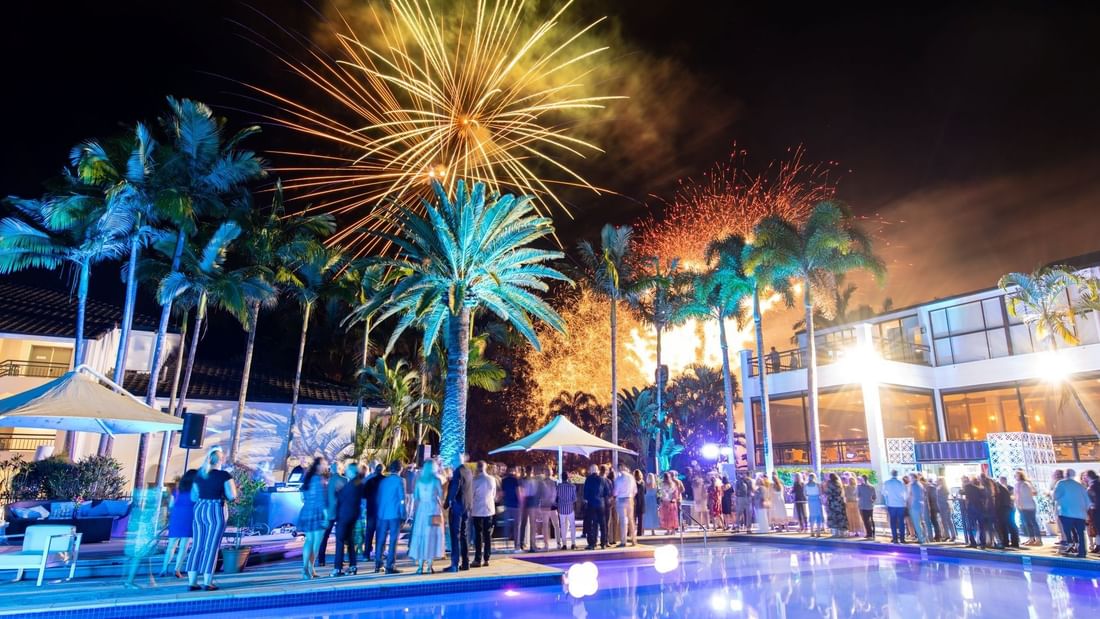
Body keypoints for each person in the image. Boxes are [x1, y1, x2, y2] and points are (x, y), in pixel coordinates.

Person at [186, 447, 237, 591]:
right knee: (211, 547)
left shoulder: (199, 475)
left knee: (197, 545)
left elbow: (193, 496)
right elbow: (232, 495)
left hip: (200, 508)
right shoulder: (224, 476)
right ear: (221, 460)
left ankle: (192, 581)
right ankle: (208, 581)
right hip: (215, 509)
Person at [409, 459, 446, 573]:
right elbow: (441, 495)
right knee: (431, 537)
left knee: (420, 536)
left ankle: (420, 566)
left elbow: (416, 496)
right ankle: (429, 566)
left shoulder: (419, 480)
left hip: (422, 510)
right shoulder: (436, 480)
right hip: (433, 509)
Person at [160, 469, 197, 579]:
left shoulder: (176, 490)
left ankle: (164, 568)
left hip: (176, 517)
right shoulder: (194, 491)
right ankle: (177, 569)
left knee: (171, 545)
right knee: (184, 546)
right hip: (188, 517)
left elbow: (171, 505)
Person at [296, 458, 328, 579]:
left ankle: (308, 569)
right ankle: (307, 568)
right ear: (319, 465)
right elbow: (320, 499)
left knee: (309, 540)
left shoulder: (308, 477)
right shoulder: (318, 478)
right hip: (317, 513)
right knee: (316, 543)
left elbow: (303, 496)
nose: (326, 466)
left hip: (307, 511)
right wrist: (326, 514)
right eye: (324, 464)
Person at [332, 461, 365, 576]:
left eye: (347, 470)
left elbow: (343, 496)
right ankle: (352, 565)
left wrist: (337, 492)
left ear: (352, 471)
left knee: (340, 541)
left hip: (344, 515)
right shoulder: (357, 482)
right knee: (350, 541)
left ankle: (338, 568)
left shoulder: (354, 483)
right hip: (352, 515)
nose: (345, 471)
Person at [374, 460, 406, 574]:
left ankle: (378, 564)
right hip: (394, 514)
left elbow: (379, 498)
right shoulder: (400, 481)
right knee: (393, 540)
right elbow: (402, 499)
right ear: (400, 469)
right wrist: (403, 514)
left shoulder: (384, 481)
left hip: (382, 514)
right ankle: (390, 565)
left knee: (381, 539)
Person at [1052, 467, 1090, 558]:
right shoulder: (1080, 486)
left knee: (1068, 532)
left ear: (1065, 475)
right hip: (1080, 514)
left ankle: (1070, 546)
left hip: (1066, 513)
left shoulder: (1061, 483)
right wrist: (1085, 511)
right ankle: (1082, 552)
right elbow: (1088, 501)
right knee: (1081, 533)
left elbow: (1055, 496)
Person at [444, 456, 473, 572]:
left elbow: (455, 489)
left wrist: (447, 503)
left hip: (457, 507)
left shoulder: (457, 472)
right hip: (467, 507)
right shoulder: (468, 471)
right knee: (464, 535)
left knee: (455, 535)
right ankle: (466, 563)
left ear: (456, 463)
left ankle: (454, 564)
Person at [318, 459, 346, 568]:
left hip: (329, 511)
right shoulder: (344, 480)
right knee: (340, 537)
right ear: (340, 469)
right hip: (340, 511)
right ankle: (340, 560)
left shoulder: (326, 481)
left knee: (324, 537)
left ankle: (321, 560)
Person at [470, 461, 497, 567]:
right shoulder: (492, 479)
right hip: (489, 509)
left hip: (477, 510)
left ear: (477, 468)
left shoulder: (475, 480)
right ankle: (487, 558)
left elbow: (472, 495)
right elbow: (493, 495)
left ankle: (477, 558)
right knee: (487, 535)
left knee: (478, 535)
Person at [584, 464, 612, 548]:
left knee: (592, 524)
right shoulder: (603, 479)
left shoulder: (588, 479)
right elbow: (607, 492)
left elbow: (585, 492)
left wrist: (587, 499)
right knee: (603, 524)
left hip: (591, 504)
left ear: (591, 470)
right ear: (597, 471)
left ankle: (592, 543)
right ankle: (603, 543)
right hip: (601, 504)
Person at [361, 463, 384, 562]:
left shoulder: (370, 481)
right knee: (380, 533)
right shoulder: (385, 480)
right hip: (381, 511)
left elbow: (364, 495)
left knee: (369, 533)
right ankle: (379, 554)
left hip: (371, 509)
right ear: (383, 470)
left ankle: (366, 554)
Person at [961, 475, 989, 549]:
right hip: (980, 508)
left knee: (970, 527)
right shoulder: (982, 488)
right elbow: (985, 498)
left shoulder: (968, 487)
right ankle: (983, 543)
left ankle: (973, 542)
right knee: (981, 526)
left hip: (972, 508)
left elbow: (961, 492)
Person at [613, 463, 637, 547]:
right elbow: (635, 491)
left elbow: (615, 492)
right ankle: (634, 539)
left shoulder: (618, 479)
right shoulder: (631, 478)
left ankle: (624, 541)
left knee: (623, 521)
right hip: (630, 499)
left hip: (621, 499)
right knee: (631, 520)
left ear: (620, 468)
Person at [994, 475, 1021, 549]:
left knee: (1005, 525)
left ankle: (1007, 542)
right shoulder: (1003, 488)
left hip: (1005, 508)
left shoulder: (1002, 489)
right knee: (1009, 525)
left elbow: (1001, 500)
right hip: (1008, 508)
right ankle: (1013, 542)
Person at [882, 470, 907, 544]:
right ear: (897, 474)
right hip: (900, 504)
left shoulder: (887, 483)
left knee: (893, 522)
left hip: (891, 504)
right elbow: (905, 494)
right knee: (901, 522)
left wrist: (887, 501)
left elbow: (883, 493)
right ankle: (902, 538)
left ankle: (895, 538)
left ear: (891, 474)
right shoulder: (901, 483)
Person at [501, 466, 523, 550]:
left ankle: (506, 544)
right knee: (517, 525)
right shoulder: (516, 480)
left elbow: (502, 493)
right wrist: (521, 503)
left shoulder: (504, 480)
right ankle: (516, 545)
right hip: (516, 505)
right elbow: (518, 492)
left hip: (507, 505)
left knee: (507, 525)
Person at [558, 471, 579, 550]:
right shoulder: (572, 487)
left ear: (561, 477)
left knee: (563, 526)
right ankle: (573, 543)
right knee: (572, 526)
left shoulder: (559, 487)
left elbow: (557, 498)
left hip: (561, 509)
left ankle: (564, 544)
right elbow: (575, 499)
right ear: (567, 477)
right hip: (570, 508)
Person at [824, 473, 847, 537]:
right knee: (841, 516)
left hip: (833, 502)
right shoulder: (839, 483)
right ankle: (842, 532)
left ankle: (835, 533)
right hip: (839, 501)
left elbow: (827, 492)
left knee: (834, 516)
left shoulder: (830, 484)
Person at [906, 473, 927, 544]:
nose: (908, 479)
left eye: (909, 477)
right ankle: (925, 537)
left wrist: (909, 505)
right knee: (922, 522)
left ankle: (921, 538)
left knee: (917, 523)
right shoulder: (920, 484)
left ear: (912, 477)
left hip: (914, 505)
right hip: (921, 505)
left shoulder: (911, 485)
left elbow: (910, 496)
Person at [936, 477, 956, 542]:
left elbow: (943, 498)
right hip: (944, 506)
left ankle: (949, 535)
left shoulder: (942, 488)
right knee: (948, 521)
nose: (937, 481)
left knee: (946, 521)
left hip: (944, 506)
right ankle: (951, 535)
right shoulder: (942, 488)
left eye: (938, 480)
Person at [856, 474, 876, 539]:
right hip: (870, 505)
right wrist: (871, 501)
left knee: (866, 520)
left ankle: (869, 534)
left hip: (863, 506)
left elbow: (857, 495)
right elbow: (874, 497)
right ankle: (873, 533)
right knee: (871, 519)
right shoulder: (872, 487)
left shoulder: (859, 487)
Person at [806, 473, 825, 537]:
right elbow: (820, 493)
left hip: (810, 500)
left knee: (812, 515)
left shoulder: (806, 485)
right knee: (818, 515)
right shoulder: (817, 485)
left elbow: (805, 494)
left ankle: (812, 531)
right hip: (816, 499)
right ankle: (818, 532)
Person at [1087, 470, 1100, 554]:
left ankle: (1098, 546)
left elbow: (1095, 499)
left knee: (1098, 529)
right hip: (1097, 509)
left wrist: (1092, 505)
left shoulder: (1093, 486)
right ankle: (1098, 546)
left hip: (1097, 510)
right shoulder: (1096, 484)